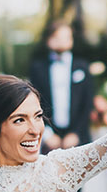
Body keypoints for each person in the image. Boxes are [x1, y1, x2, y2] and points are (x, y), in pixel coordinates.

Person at [28, 21, 93, 149]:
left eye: (67, 37)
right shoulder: (38, 69)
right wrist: (47, 133)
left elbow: (87, 103)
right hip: (49, 138)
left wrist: (76, 133)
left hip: (78, 138)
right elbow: (34, 103)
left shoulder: (82, 67)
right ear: (48, 40)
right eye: (57, 37)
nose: (62, 41)